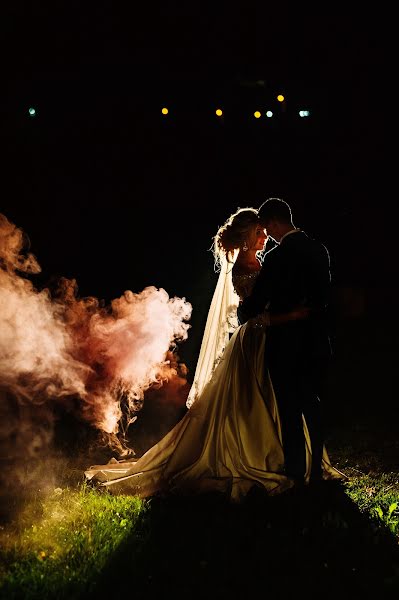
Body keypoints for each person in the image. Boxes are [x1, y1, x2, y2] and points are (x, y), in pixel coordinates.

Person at [85, 207, 344, 501]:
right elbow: (251, 313)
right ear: (247, 236)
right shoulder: (250, 267)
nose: (264, 238)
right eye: (259, 233)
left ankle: (290, 462)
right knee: (262, 402)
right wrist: (289, 315)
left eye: (264, 231)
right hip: (260, 337)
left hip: (276, 338)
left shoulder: (268, 261)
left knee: (281, 401)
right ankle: (269, 458)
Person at [239, 198, 333, 484]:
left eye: (267, 227)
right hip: (315, 340)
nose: (266, 234)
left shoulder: (277, 258)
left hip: (285, 345)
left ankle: (295, 470)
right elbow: (324, 299)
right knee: (313, 404)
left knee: (290, 409)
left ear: (275, 222)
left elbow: (256, 303)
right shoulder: (319, 249)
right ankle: (316, 467)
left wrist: (249, 311)